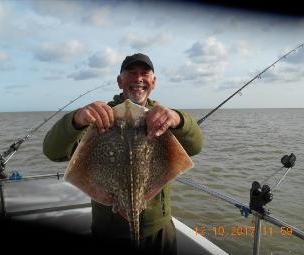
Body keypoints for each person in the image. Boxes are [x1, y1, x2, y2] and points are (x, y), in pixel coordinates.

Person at [43, 53, 203, 254]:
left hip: (159, 231)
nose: (138, 79)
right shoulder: (100, 118)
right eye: (131, 73)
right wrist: (76, 119)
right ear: (120, 81)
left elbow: (196, 146)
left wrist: (179, 119)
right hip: (110, 232)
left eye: (144, 73)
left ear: (153, 82)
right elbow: (52, 151)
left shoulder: (163, 118)